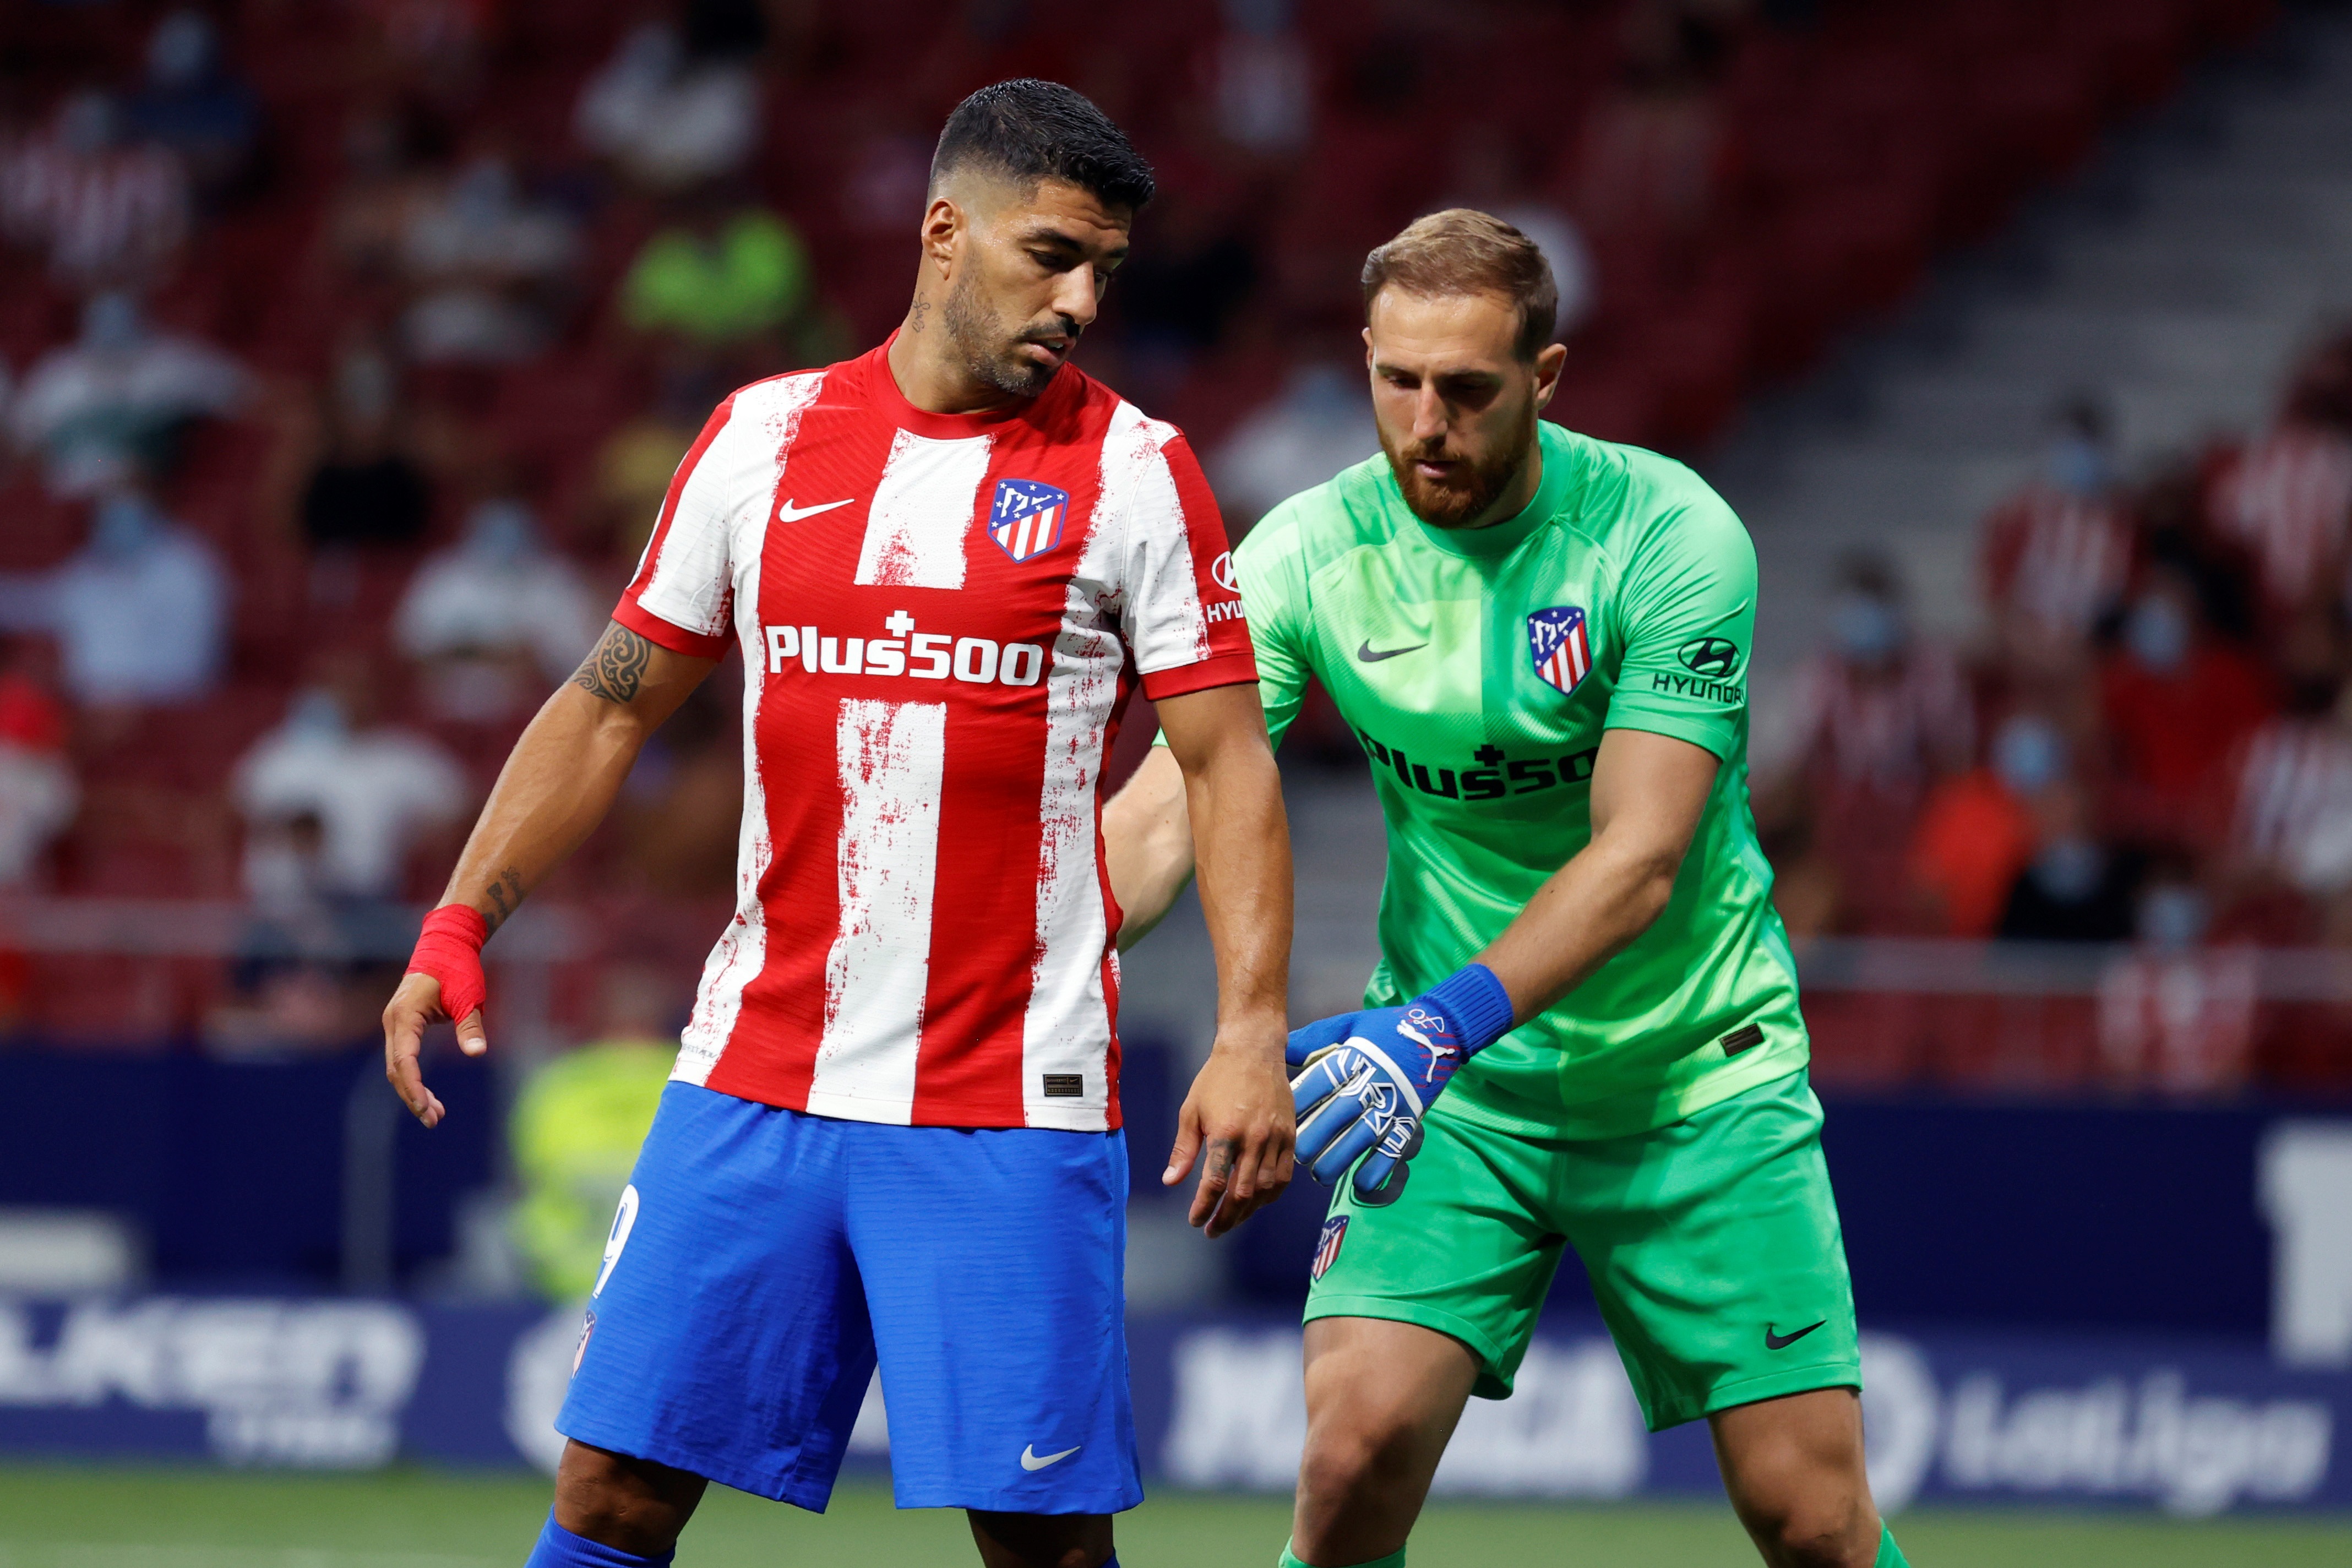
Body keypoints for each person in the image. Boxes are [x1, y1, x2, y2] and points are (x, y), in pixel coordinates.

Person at [382, 80, 1296, 1568]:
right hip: (756, 1077)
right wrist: (460, 920)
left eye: (1104, 274)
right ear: (945, 231)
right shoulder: (764, 439)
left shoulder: (1135, 473)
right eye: (1051, 254)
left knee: (1043, 1544)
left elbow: (1228, 766)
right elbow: (612, 702)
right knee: (608, 1494)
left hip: (1006, 1099)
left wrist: (1251, 1026)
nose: (1078, 301)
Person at [1107, 210, 1907, 1568]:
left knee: (1811, 1516)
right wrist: (1011, 949)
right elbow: (1175, 800)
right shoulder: (1306, 547)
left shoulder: (1667, 536)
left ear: (1545, 376)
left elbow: (1638, 859)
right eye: (1397, 381)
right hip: (1460, 1096)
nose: (1426, 423)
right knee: (1350, 1449)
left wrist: (1428, 1027)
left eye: (1468, 389)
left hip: (1688, 1077)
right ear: (1363, 358)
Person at [0, 490, 228, 709]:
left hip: (165, 702)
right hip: (92, 701)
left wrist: (129, 691)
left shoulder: (187, 568)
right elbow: (37, 603)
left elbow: (194, 658)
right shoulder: (94, 565)